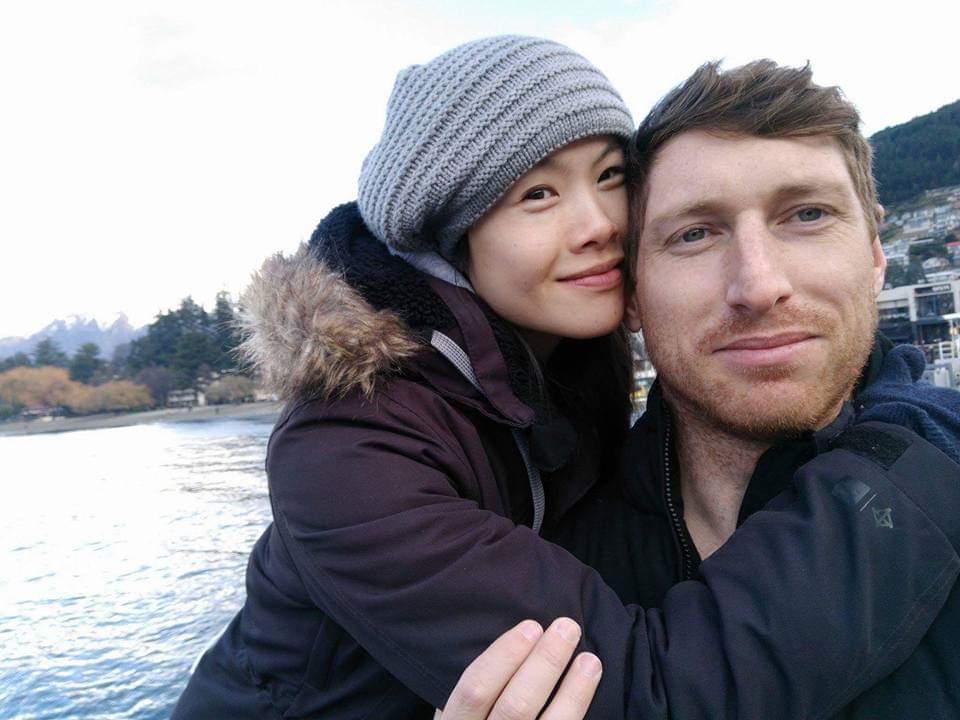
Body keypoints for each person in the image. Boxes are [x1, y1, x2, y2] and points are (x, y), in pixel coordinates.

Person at [171, 38, 960, 719]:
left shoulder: (561, 382)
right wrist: (912, 459)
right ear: (452, 241)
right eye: (538, 194)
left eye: (610, 177)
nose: (598, 226)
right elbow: (643, 690)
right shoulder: (352, 446)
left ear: (877, 256)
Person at [447, 60, 960, 719]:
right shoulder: (548, 574)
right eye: (694, 234)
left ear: (875, 254)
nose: (759, 285)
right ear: (632, 293)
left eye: (807, 215)